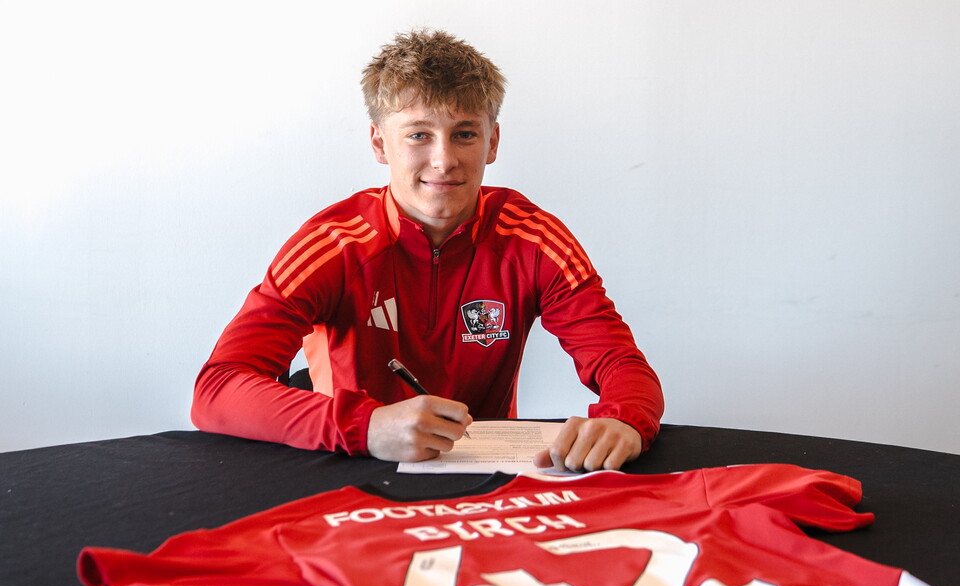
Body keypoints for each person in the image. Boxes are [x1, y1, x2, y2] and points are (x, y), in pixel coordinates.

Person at [191, 29, 663, 472]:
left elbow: (619, 362)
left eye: (464, 133)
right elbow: (217, 387)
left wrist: (623, 421)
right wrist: (367, 426)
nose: (444, 160)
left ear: (492, 141)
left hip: (482, 479)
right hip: (348, 464)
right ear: (380, 143)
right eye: (418, 134)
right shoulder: (331, 244)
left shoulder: (535, 240)